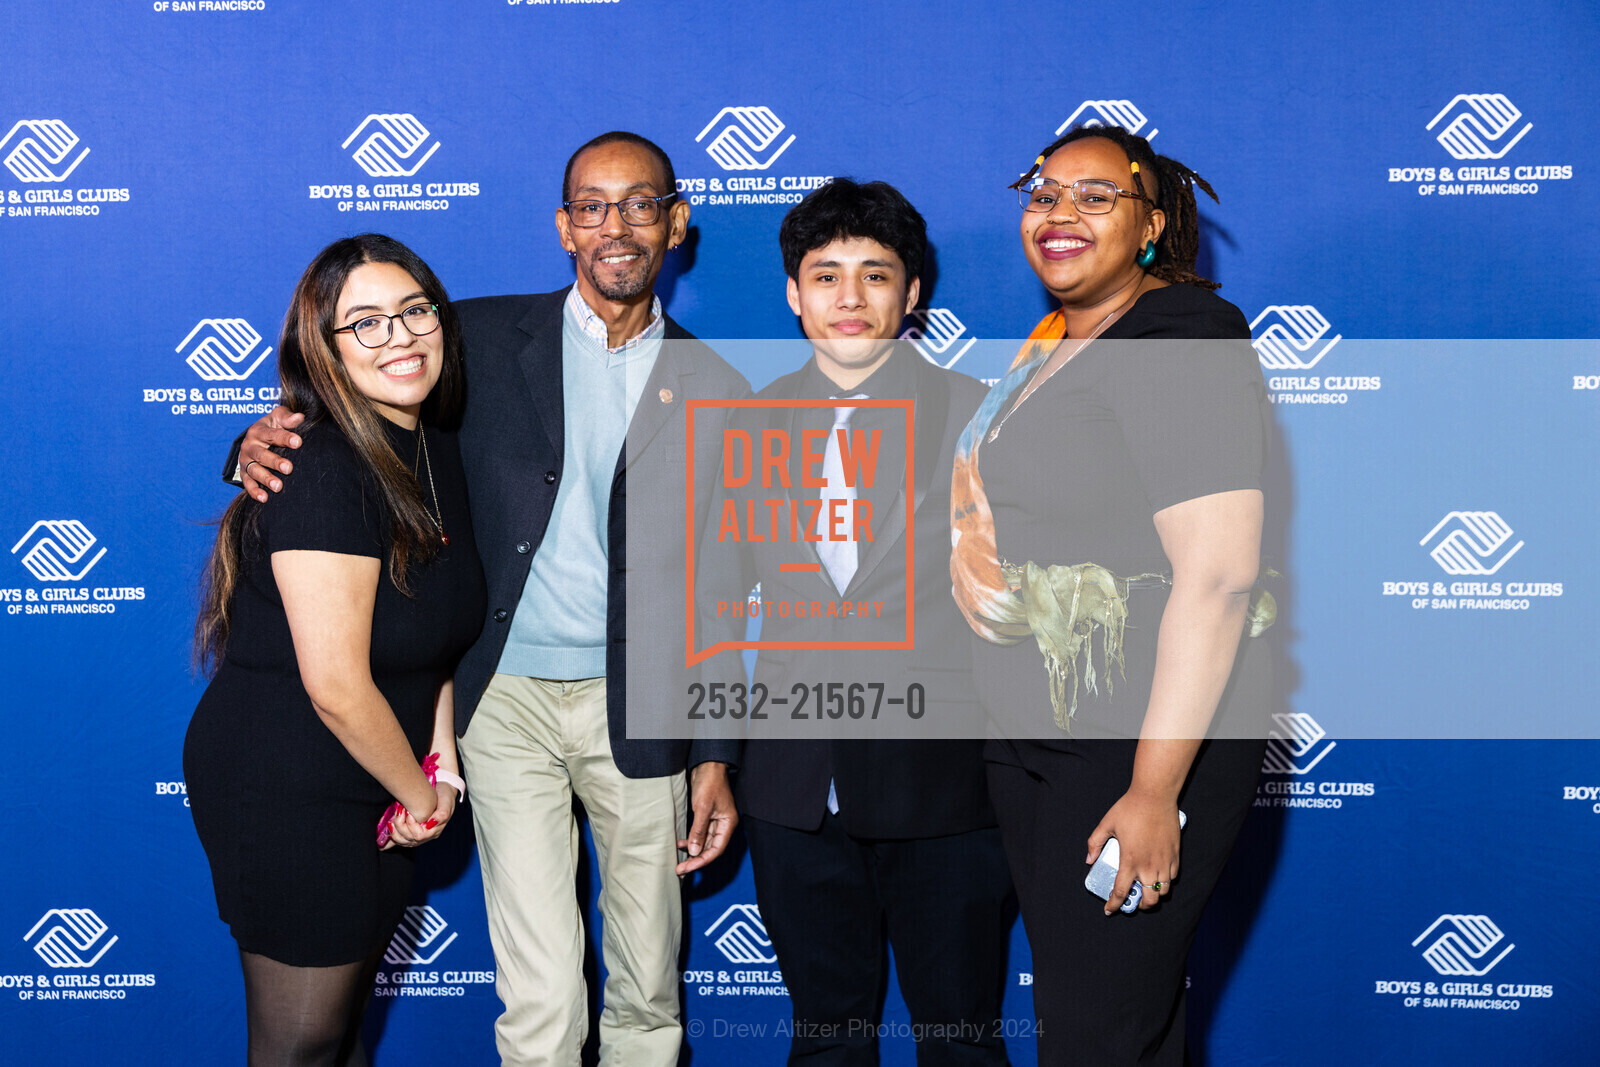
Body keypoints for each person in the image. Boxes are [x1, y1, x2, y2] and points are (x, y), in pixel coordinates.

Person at [230, 131, 747, 1067]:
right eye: (591, 206)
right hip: (498, 701)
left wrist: (714, 754)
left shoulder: (718, 384)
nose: (615, 227)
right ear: (563, 227)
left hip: (644, 705)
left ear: (676, 223)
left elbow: (718, 585)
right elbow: (353, 405)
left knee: (648, 986)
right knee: (540, 989)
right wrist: (253, 441)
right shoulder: (467, 338)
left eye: (640, 204)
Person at [950, 125, 1273, 1064]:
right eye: (1044, 193)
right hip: (1039, 734)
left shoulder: (1182, 333)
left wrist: (1152, 789)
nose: (1059, 213)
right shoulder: (1052, 348)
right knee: (1111, 1022)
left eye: (1097, 197)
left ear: (1151, 226)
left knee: (1098, 1033)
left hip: (1132, 744)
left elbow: (1216, 576)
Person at [711, 179, 1012, 1065]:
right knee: (825, 1039)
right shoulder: (745, 426)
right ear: (793, 294)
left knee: (962, 1040)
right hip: (794, 793)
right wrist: (716, 762)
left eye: (875, 274)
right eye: (826, 273)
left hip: (950, 791)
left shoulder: (980, 415)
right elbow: (717, 609)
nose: (850, 297)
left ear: (912, 292)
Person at [187, 233, 486, 1066]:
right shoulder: (322, 469)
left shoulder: (433, 446)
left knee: (342, 1029)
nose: (400, 336)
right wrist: (421, 799)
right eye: (365, 324)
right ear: (321, 350)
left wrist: (443, 765)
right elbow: (335, 684)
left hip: (380, 779)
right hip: (287, 777)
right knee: (299, 1042)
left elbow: (438, 637)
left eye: (414, 311)